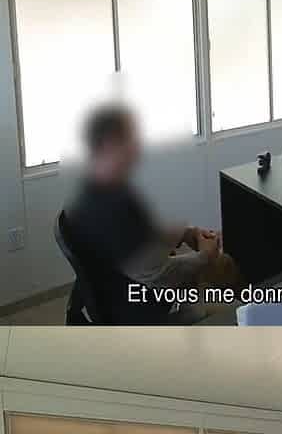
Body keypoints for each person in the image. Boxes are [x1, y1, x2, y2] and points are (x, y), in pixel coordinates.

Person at [66, 102, 240, 324]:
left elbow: (142, 233)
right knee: (225, 269)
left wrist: (187, 233)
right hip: (138, 300)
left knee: (215, 263)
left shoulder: (98, 188)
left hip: (122, 284)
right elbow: (156, 274)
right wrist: (204, 257)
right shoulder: (110, 205)